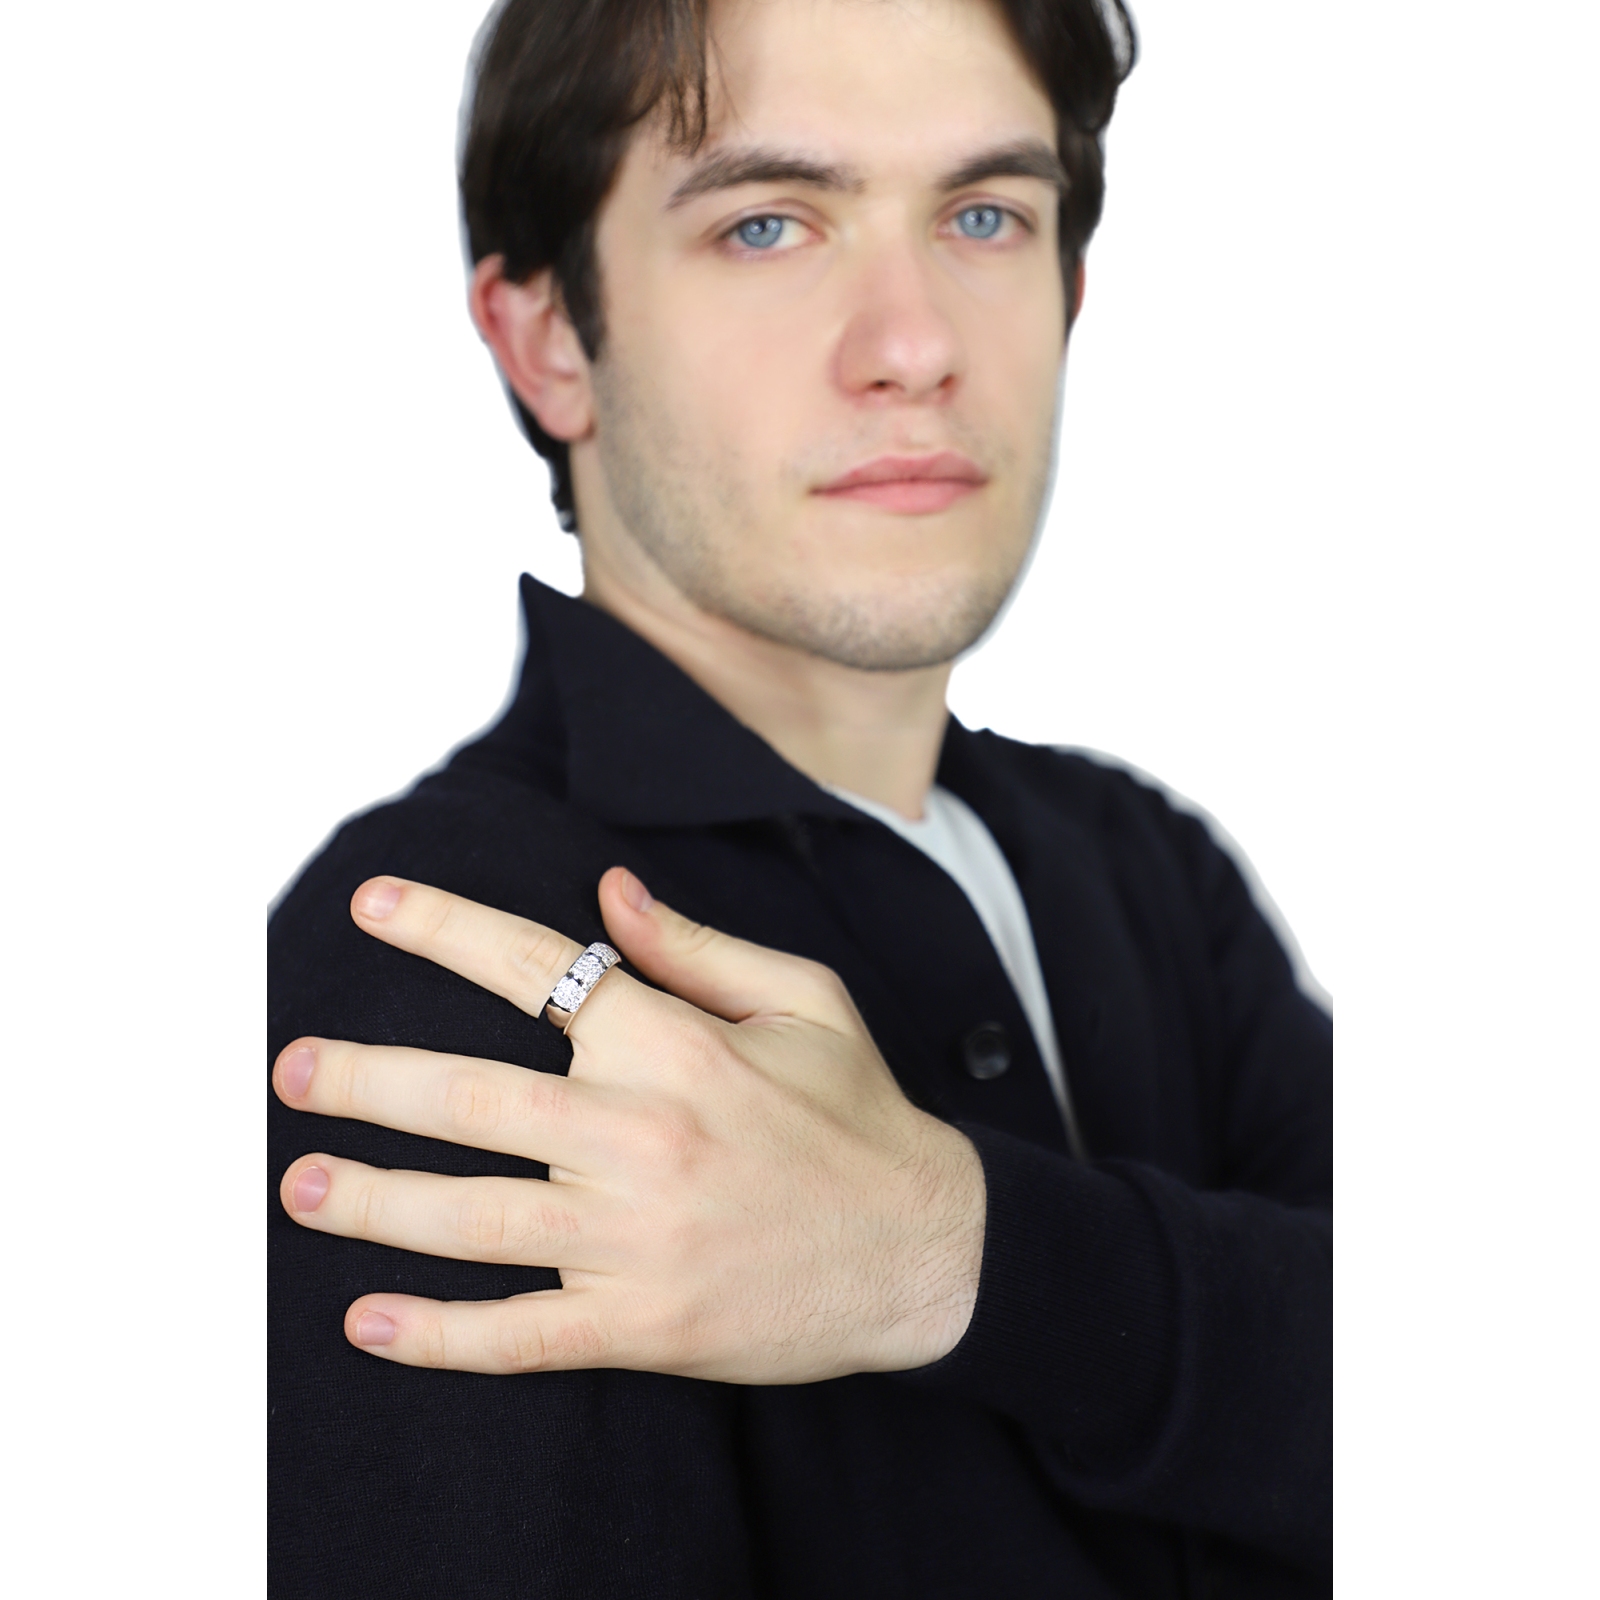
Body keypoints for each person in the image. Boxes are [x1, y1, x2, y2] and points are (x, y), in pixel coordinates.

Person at [267, 0, 1332, 1593]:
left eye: (986, 214)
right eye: (767, 224)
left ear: (1072, 283)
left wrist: (959, 1254)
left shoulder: (1147, 865)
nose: (915, 343)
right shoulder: (450, 954)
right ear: (550, 338)